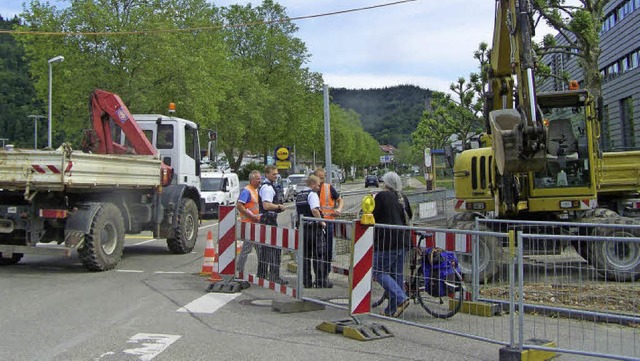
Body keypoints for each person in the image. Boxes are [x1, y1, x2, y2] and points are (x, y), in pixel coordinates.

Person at [372, 171, 413, 317]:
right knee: (396, 275)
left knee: (378, 271)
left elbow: (372, 215)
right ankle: (391, 310)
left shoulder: (382, 196)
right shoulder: (403, 198)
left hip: (386, 242)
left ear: (386, 183)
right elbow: (409, 216)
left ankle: (402, 298)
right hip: (403, 241)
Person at [295, 175, 332, 288]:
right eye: (317, 184)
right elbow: (315, 210)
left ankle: (307, 282)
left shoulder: (300, 195)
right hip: (314, 229)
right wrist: (322, 222)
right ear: (312, 184)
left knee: (305, 256)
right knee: (319, 256)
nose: (319, 187)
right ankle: (320, 281)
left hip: (303, 229)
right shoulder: (312, 194)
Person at [313, 167, 344, 287]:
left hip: (328, 223)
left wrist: (338, 209)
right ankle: (319, 278)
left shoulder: (328, 188)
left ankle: (324, 276)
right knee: (318, 252)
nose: (321, 180)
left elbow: (340, 200)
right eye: (319, 177)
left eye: (323, 177)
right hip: (316, 224)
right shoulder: (312, 190)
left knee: (327, 252)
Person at [257, 165, 287, 284]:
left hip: (266, 220)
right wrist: (279, 207)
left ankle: (262, 275)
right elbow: (266, 205)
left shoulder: (267, 186)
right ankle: (274, 277)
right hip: (268, 220)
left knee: (265, 249)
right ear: (267, 174)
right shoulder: (268, 188)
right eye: (273, 174)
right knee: (274, 249)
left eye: (276, 174)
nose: (276, 176)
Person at [235, 170, 261, 274]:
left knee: (259, 248)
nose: (260, 181)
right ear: (252, 180)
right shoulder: (247, 191)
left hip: (255, 224)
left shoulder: (255, 190)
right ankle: (240, 270)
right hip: (249, 225)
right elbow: (240, 205)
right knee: (247, 249)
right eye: (258, 179)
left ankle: (261, 272)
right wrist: (251, 216)